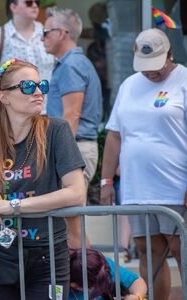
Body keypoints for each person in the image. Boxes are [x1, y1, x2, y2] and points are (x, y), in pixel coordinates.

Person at [0, 58, 85, 299]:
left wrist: (10, 206)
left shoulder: (56, 130)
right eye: (27, 87)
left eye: (41, 85)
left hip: (47, 254)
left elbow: (76, 193)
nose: (38, 92)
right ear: (4, 96)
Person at [101, 28, 187, 300]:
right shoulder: (129, 85)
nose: (150, 72)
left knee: (180, 249)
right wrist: (105, 181)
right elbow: (115, 135)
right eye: (144, 66)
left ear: (169, 54)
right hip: (137, 187)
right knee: (149, 253)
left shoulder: (184, 80)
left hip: (175, 185)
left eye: (156, 66)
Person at [42, 8, 103, 248]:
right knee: (70, 227)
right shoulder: (72, 63)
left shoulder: (71, 65)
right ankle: (89, 281)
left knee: (72, 229)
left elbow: (72, 115)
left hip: (74, 149)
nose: (43, 37)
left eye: (46, 31)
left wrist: (54, 154)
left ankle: (93, 282)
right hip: (76, 148)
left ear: (63, 33)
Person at [0, 0, 55, 106]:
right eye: (29, 2)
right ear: (13, 7)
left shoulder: (49, 34)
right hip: (14, 116)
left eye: (37, 2)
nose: (35, 5)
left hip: (49, 113)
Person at [69, 248, 147, 300]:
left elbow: (137, 281)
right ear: (73, 284)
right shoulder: (60, 282)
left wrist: (137, 296)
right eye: (93, 285)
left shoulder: (102, 265)